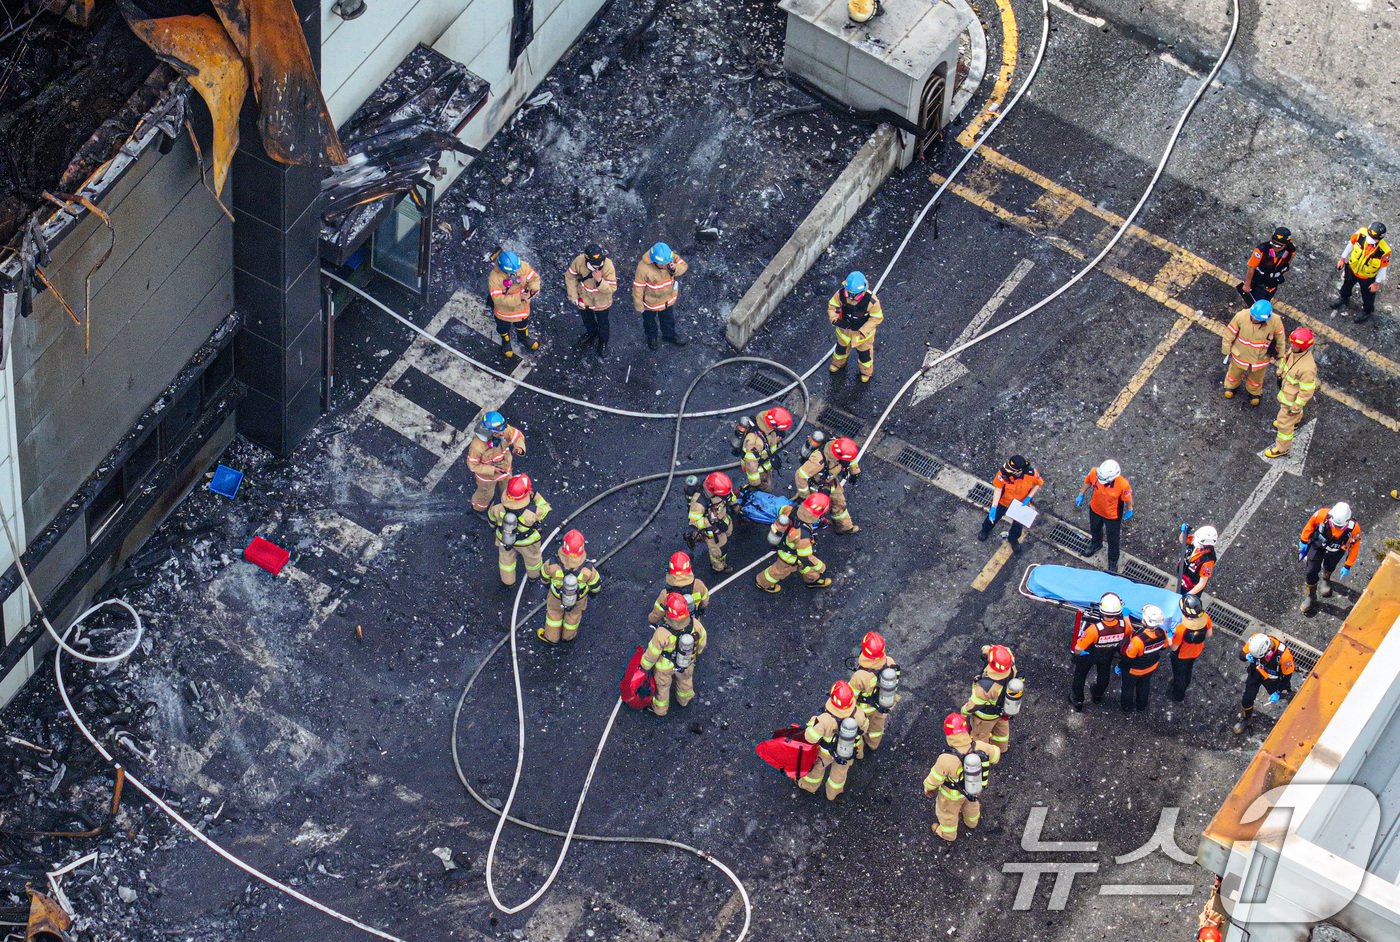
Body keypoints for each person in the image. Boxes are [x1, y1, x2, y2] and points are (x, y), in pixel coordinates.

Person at [923, 713, 1000, 843]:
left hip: (951, 796)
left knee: (948, 814)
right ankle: (972, 823)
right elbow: (995, 756)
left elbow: (934, 779)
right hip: (973, 789)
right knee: (972, 805)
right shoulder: (979, 746)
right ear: (965, 730)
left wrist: (928, 788)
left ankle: (948, 835)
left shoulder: (945, 759)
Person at [797, 680, 869, 801]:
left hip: (824, 754)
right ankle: (833, 793)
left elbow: (810, 737)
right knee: (839, 774)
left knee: (816, 770)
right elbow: (864, 729)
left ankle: (809, 787)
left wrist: (813, 721)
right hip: (847, 752)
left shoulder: (824, 719)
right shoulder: (859, 714)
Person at [638, 593, 707, 717]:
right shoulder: (695, 624)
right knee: (685, 680)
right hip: (686, 662)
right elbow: (702, 640)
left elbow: (652, 654)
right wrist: (697, 654)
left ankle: (660, 709)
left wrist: (643, 667)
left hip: (664, 668)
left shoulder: (661, 632)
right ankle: (684, 700)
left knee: (662, 688)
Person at [756, 493, 833, 592]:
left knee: (805, 568)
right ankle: (762, 583)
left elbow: (781, 511)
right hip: (789, 557)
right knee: (778, 571)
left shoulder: (791, 509)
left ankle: (812, 580)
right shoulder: (803, 536)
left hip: (791, 550)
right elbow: (805, 558)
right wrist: (821, 567)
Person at [1069, 592, 1132, 711]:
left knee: (1080, 676)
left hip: (1089, 655)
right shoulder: (1125, 627)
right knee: (1103, 675)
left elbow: (1078, 648)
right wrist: (1126, 616)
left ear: (1101, 611)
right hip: (1107, 654)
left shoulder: (1094, 630)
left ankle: (1078, 701)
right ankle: (1097, 695)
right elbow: (1129, 630)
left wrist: (1078, 655)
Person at [486, 474, 552, 586]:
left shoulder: (497, 507)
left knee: (506, 562)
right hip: (528, 542)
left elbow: (491, 520)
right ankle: (533, 576)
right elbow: (546, 508)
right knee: (533, 560)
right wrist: (536, 496)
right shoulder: (532, 512)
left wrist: (493, 527)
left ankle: (508, 581)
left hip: (504, 539)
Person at [538, 530, 602, 644]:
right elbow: (596, 585)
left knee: (554, 614)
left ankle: (551, 637)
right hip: (579, 599)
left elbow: (544, 576)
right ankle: (568, 637)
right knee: (573, 616)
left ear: (564, 546)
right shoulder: (588, 569)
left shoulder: (552, 563)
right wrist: (593, 593)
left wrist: (547, 584)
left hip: (556, 596)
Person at [1297, 502, 1362, 614]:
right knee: (1310, 571)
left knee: (1330, 566)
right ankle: (1311, 596)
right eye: (1335, 524)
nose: (1336, 527)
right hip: (1318, 546)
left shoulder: (1355, 529)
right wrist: (1304, 540)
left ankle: (1326, 580)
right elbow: (1310, 525)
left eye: (1339, 526)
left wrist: (1348, 564)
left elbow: (1354, 546)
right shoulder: (1321, 514)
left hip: (1336, 551)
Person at [1264, 328, 1317, 460]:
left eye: (1295, 345)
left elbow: (1306, 391)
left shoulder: (1308, 368)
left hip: (1291, 401)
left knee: (1283, 424)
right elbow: (1285, 360)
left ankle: (1282, 449)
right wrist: (1280, 370)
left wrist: (1296, 407)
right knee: (1291, 418)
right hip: (1287, 393)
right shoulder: (1294, 351)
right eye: (1292, 343)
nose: (1291, 346)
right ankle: (1296, 421)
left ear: (1303, 347)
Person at [1221, 299, 1285, 407]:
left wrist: (1280, 354)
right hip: (1240, 355)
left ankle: (1254, 393)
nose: (1254, 320)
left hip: (1260, 359)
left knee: (1257, 378)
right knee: (1234, 373)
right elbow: (1229, 333)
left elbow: (1280, 338)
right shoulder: (1241, 316)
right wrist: (1226, 349)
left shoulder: (1275, 321)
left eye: (1257, 319)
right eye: (1254, 317)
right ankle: (1230, 386)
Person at [794, 435, 862, 534]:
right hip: (816, 485)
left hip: (830, 481)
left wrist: (854, 471)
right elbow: (800, 475)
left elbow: (851, 458)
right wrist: (805, 496)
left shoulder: (840, 448)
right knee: (814, 510)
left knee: (839, 503)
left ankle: (844, 527)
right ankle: (802, 530)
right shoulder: (818, 461)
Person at [1231, 632, 1296, 735]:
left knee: (1285, 693)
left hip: (1273, 679)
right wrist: (1246, 656)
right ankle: (1246, 719)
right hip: (1256, 672)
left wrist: (1278, 691)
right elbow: (1241, 655)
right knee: (1247, 698)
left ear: (1269, 651)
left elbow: (1287, 677)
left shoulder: (1284, 657)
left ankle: (1293, 700)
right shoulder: (1255, 640)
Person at [1076, 460, 1133, 573]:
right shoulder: (1094, 472)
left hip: (1112, 516)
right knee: (1095, 529)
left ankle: (1113, 560)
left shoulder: (1122, 484)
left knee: (1113, 539)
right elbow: (1088, 482)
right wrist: (1081, 493)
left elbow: (1128, 498)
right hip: (1095, 509)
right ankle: (1096, 544)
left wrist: (1130, 509)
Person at [827, 271, 884, 383]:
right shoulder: (841, 294)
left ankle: (866, 372)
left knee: (865, 357)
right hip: (844, 332)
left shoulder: (871, 301)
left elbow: (877, 318)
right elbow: (832, 306)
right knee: (840, 351)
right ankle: (838, 364)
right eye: (849, 293)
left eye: (854, 295)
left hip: (862, 337)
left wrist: (863, 331)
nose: (851, 297)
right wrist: (835, 319)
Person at [978, 454, 1044, 552]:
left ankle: (1013, 539)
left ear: (1019, 471)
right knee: (992, 517)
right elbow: (998, 489)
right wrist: (994, 506)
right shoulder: (1003, 473)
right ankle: (985, 529)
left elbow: (1039, 483)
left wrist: (1029, 497)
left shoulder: (1031, 474)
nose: (1006, 469)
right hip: (1004, 501)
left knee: (1018, 525)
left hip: (1021, 503)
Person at [961, 644, 1019, 753]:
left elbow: (974, 705)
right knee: (1001, 733)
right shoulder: (1011, 668)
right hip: (1003, 711)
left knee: (979, 736)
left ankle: (981, 755)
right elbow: (1006, 652)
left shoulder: (986, 687)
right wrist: (990, 650)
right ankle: (1001, 749)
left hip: (985, 717)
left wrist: (963, 712)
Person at [563, 242, 617, 357]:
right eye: (594, 264)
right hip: (584, 299)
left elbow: (611, 288)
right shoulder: (579, 261)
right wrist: (573, 296)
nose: (597, 266)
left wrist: (600, 281)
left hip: (601, 302)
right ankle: (591, 334)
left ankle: (603, 342)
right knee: (587, 319)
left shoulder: (608, 265)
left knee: (603, 323)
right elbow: (570, 276)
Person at [466, 411, 527, 513]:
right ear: (489, 432)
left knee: (508, 489)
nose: (503, 433)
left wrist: (519, 447)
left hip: (505, 470)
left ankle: (508, 505)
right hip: (487, 478)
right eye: (498, 431)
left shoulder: (503, 430)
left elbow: (517, 436)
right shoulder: (477, 446)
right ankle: (478, 509)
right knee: (485, 495)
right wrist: (492, 469)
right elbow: (473, 465)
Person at [848, 631, 899, 751]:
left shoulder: (860, 676)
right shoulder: (890, 661)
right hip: (884, 703)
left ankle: (859, 750)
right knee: (877, 728)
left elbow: (851, 697)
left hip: (865, 709)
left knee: (859, 729)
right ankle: (873, 745)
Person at [632, 242, 689, 348]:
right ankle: (652, 337)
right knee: (649, 322)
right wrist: (639, 305)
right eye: (662, 264)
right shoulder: (643, 268)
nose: (665, 265)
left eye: (667, 263)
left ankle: (669, 335)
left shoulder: (669, 257)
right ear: (654, 260)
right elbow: (638, 287)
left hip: (667, 300)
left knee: (668, 319)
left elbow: (684, 266)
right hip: (650, 304)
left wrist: (675, 268)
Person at [1332, 222, 1390, 324]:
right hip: (1352, 269)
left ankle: (1367, 311)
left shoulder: (1384, 251)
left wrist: (1376, 283)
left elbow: (1382, 268)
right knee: (1346, 285)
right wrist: (1342, 259)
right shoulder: (1361, 234)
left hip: (1368, 277)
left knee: (1368, 296)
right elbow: (1350, 245)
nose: (1369, 239)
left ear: (1379, 239)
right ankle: (1344, 298)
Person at [488, 250, 542, 358]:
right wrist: (519, 298)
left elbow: (534, 279)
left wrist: (533, 290)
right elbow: (498, 300)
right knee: (503, 328)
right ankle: (506, 342)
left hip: (522, 310)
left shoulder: (523, 266)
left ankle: (523, 339)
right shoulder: (494, 278)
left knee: (522, 326)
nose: (517, 271)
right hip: (504, 313)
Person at [1118, 604, 1167, 714]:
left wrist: (1120, 666)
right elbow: (1164, 647)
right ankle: (1141, 706)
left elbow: (1128, 658)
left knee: (1128, 688)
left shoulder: (1138, 640)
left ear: (1144, 621)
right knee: (1144, 685)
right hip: (1151, 666)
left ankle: (1127, 707)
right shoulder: (1162, 633)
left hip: (1134, 670)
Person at [688, 471, 738, 573]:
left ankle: (700, 537)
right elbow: (694, 521)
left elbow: (729, 496)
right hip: (713, 531)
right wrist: (711, 526)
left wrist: (735, 504)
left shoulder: (722, 490)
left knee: (728, 532)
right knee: (719, 550)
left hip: (724, 520)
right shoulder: (699, 503)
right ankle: (718, 566)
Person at [1167, 594, 1213, 703]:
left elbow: (1174, 648)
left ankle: (1179, 696)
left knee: (1179, 675)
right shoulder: (1206, 617)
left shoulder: (1181, 629)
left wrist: (1169, 637)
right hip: (1196, 652)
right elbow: (1209, 634)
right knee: (1188, 669)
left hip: (1181, 656)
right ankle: (1186, 684)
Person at [1238, 226, 1296, 303]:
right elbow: (1251, 267)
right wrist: (1247, 284)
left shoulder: (1291, 251)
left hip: (1272, 287)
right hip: (1259, 286)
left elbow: (1287, 263)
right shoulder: (1261, 250)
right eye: (1274, 244)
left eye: (1279, 246)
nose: (1275, 247)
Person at [648, 552, 709, 625]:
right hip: (693, 622)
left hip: (673, 625)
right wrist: (701, 610)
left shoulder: (665, 594)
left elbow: (656, 614)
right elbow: (705, 600)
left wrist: (651, 620)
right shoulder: (698, 585)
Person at [740, 407, 792, 491]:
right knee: (765, 487)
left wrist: (775, 438)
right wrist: (756, 483)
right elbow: (751, 464)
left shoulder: (765, 420)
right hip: (759, 470)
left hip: (765, 461)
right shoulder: (756, 443)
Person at [1178, 525, 1218, 597]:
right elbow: (1182, 541)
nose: (1194, 541)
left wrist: (1187, 596)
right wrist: (1183, 532)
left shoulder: (1208, 561)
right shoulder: (1196, 539)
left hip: (1191, 588)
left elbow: (1202, 584)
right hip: (1183, 578)